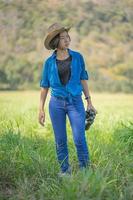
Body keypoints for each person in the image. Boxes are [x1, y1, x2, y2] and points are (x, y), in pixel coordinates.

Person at [38, 22, 97, 176]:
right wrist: (41, 109)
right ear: (55, 42)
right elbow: (44, 86)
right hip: (56, 104)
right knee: (60, 140)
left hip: (75, 102)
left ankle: (85, 171)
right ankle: (65, 171)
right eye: (63, 38)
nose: (67, 40)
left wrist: (89, 101)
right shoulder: (49, 63)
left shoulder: (77, 57)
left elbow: (83, 79)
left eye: (67, 37)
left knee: (79, 138)